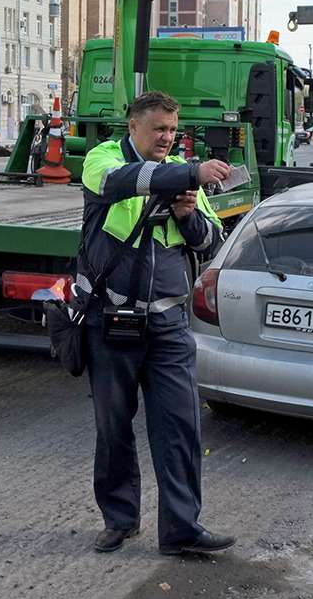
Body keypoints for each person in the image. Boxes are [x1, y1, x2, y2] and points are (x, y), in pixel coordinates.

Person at [78, 91, 236, 557]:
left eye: (172, 130)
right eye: (158, 129)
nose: (167, 138)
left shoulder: (184, 176)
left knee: (180, 428)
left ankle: (182, 529)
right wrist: (188, 173)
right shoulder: (103, 158)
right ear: (133, 127)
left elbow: (212, 241)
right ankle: (120, 520)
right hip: (110, 320)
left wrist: (189, 216)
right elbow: (116, 182)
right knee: (113, 429)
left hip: (167, 326)